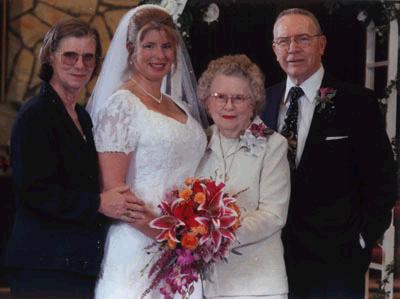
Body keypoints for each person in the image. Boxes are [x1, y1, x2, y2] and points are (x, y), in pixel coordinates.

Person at [261, 8, 397, 299]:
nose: (293, 48)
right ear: (274, 49)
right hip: (270, 260)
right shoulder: (263, 102)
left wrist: (361, 240)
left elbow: (383, 181)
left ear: (321, 44)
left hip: (336, 262)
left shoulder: (357, 103)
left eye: (302, 39)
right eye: (284, 41)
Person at [6, 19, 139, 299]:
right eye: (70, 55)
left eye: (88, 57)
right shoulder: (35, 115)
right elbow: (35, 192)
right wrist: (99, 203)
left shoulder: (84, 117)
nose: (80, 65)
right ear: (50, 56)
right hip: (44, 265)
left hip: (76, 264)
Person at [86, 4, 207, 298]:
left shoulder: (180, 107)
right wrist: (168, 235)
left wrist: (191, 233)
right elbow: (115, 190)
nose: (159, 55)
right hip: (140, 243)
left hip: (183, 248)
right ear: (130, 49)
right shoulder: (122, 106)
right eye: (149, 45)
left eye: (166, 46)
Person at [196, 54, 290, 299]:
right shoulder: (197, 142)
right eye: (220, 97)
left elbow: (273, 215)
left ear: (254, 102)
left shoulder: (273, 145)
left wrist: (215, 236)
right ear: (207, 101)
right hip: (205, 284)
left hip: (258, 284)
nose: (228, 106)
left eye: (239, 98)